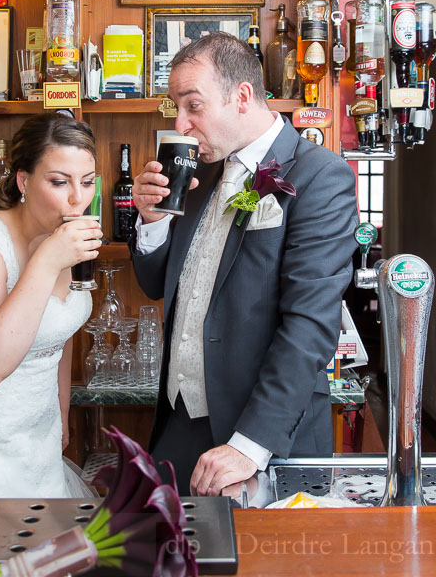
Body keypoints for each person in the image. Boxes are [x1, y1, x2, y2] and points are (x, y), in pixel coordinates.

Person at [130, 32, 359, 496]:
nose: (182, 123)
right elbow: (158, 286)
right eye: (176, 107)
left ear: (242, 96)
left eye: (193, 106)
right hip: (178, 422)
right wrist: (151, 223)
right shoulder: (198, 173)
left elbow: (311, 324)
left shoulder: (320, 176)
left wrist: (250, 445)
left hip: (268, 439)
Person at [0, 112, 103, 497]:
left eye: (87, 182)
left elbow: (60, 331)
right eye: (59, 182)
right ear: (24, 180)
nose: (78, 198)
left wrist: (61, 415)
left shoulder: (64, 239)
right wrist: (46, 262)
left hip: (38, 451)